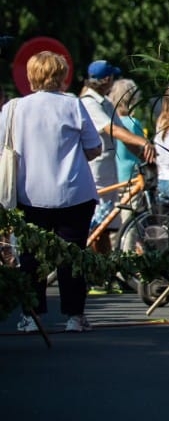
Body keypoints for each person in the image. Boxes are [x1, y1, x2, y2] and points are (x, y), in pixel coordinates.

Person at [3, 51, 102, 333]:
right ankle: (74, 316)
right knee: (72, 256)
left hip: (28, 194)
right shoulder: (73, 106)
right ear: (60, 76)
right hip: (73, 193)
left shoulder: (14, 108)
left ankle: (31, 315)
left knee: (30, 258)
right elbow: (94, 147)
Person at [79, 60, 155, 248]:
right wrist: (143, 141)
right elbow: (113, 129)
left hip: (108, 174)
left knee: (104, 228)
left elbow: (124, 135)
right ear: (107, 79)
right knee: (96, 228)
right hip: (95, 175)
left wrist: (145, 158)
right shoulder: (89, 103)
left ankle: (105, 274)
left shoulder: (106, 103)